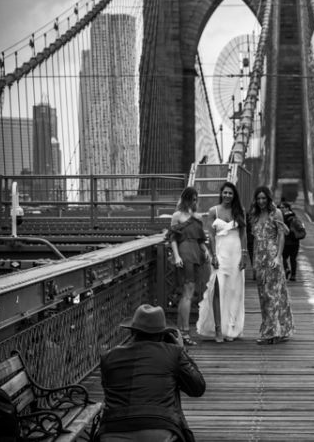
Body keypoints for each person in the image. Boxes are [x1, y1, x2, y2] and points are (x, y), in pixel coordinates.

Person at [99, 304, 206, 442]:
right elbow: (197, 388)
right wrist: (182, 351)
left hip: (112, 431)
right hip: (158, 429)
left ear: (132, 332)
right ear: (162, 334)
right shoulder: (173, 353)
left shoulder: (108, 357)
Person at [197, 181, 247, 343]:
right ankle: (218, 329)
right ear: (221, 194)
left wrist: (244, 255)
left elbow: (243, 234)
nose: (227, 195)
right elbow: (210, 235)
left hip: (236, 254)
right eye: (225, 192)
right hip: (221, 254)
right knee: (218, 290)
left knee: (234, 291)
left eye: (230, 193)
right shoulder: (213, 211)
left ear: (234, 196)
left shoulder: (240, 211)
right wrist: (214, 256)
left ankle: (230, 328)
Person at [249, 186, 294, 345]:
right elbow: (254, 239)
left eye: (264, 198)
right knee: (264, 296)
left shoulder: (276, 213)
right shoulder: (254, 215)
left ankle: (272, 332)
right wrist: (253, 260)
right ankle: (277, 330)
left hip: (272, 256)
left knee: (274, 295)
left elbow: (281, 235)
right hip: (259, 257)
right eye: (259, 198)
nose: (261, 201)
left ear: (268, 198)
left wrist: (278, 257)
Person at [169, 186, 210, 346]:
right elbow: (172, 238)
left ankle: (181, 332)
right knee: (187, 292)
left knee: (189, 293)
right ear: (185, 199)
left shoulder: (197, 217)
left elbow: (200, 240)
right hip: (185, 253)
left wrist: (206, 251)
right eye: (191, 199)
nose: (194, 202)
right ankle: (184, 332)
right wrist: (177, 256)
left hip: (196, 254)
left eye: (195, 199)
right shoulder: (177, 216)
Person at [279, 201, 300, 282]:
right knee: (293, 259)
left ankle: (286, 269)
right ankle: (293, 275)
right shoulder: (294, 216)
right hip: (295, 242)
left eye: (282, 207)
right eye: (280, 207)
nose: (281, 209)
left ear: (287, 208)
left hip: (286, 242)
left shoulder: (283, 217)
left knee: (283, 257)